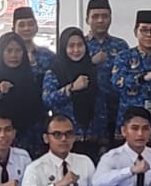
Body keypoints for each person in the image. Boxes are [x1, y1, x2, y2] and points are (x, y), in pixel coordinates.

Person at [0, 31, 46, 155]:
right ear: (1, 52)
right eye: (9, 51)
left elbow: (43, 107)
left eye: (18, 50)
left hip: (30, 142)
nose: (14, 55)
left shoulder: (33, 76)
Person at [110, 10, 151, 148]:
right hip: (130, 128)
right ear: (136, 32)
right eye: (144, 30)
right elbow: (116, 83)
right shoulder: (124, 56)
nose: (149, 34)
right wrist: (143, 78)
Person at [43, 27, 107, 160]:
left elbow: (101, 106)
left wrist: (103, 140)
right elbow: (47, 99)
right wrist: (71, 88)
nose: (76, 50)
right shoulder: (55, 71)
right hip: (65, 140)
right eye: (71, 46)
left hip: (92, 140)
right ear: (63, 48)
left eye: (80, 45)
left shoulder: (92, 70)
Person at [84, 0, 130, 141]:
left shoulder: (121, 45)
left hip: (115, 110)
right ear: (87, 20)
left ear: (110, 19)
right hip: (88, 111)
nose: (100, 20)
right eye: (95, 16)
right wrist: (91, 62)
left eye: (105, 16)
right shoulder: (79, 45)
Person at [13, 5, 55, 76]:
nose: (26, 28)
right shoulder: (8, 56)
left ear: (37, 28)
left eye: (30, 24)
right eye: (21, 25)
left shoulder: (48, 55)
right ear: (14, 29)